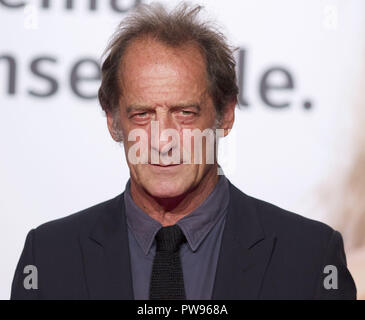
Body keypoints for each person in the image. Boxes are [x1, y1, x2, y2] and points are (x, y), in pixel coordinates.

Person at [11, 3, 356, 300]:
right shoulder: (50, 257)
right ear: (113, 122)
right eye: (142, 115)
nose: (163, 141)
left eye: (185, 114)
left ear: (226, 115)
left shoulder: (309, 258)